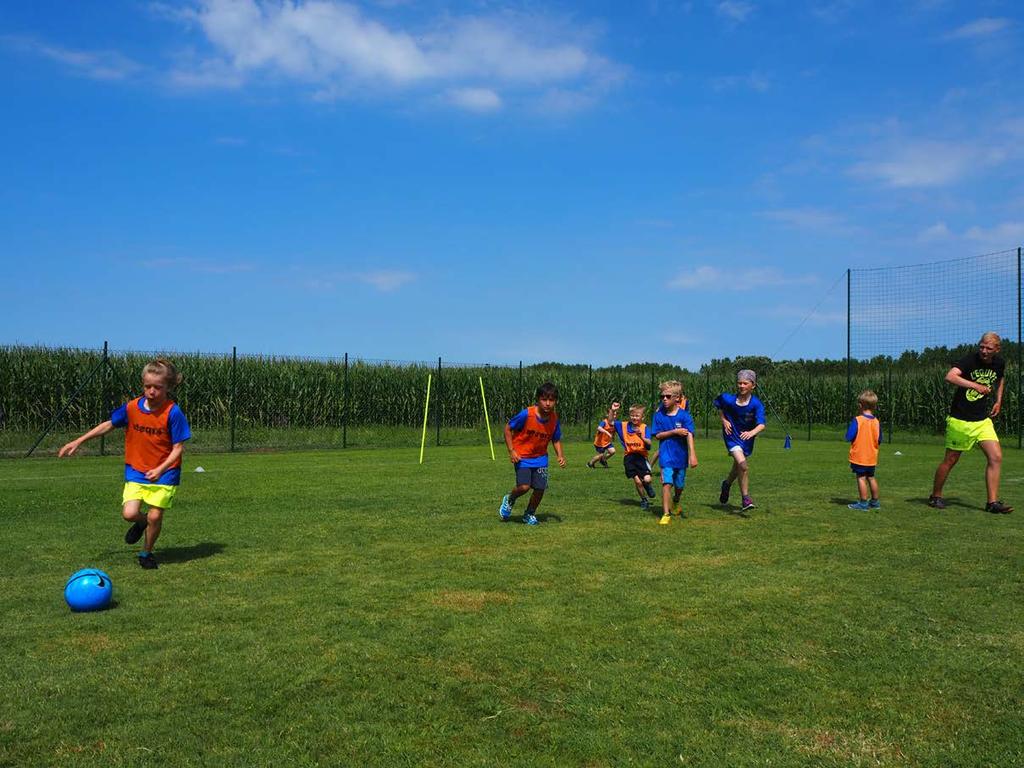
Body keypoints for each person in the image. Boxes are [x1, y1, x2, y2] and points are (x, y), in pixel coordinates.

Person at [58, 358, 192, 569]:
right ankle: (141, 522)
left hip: (165, 472)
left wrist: (160, 469)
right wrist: (79, 440)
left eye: (157, 387)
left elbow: (178, 449)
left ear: (168, 386)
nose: (152, 391)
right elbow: (109, 425)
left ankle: (146, 553)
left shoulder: (173, 413)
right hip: (137, 469)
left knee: (155, 516)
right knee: (128, 513)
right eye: (147, 386)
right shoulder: (132, 408)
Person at [929, 332, 1012, 514]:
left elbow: (1000, 379)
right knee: (951, 460)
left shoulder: (999, 363)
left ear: (996, 350)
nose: (983, 351)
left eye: (988, 348)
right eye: (981, 346)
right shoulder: (969, 360)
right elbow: (950, 376)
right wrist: (975, 385)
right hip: (961, 420)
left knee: (996, 457)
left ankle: (992, 503)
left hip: (982, 421)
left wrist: (999, 401)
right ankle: (935, 496)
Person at [499, 382, 567, 525]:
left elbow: (555, 439)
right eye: (544, 399)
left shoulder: (554, 419)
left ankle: (529, 514)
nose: (548, 403)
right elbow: (507, 429)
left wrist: (560, 456)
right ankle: (510, 499)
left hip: (541, 458)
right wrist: (511, 451)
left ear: (556, 401)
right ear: (538, 399)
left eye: (552, 400)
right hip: (522, 457)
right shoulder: (527, 414)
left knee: (540, 488)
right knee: (524, 487)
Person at [714, 369, 766, 512]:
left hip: (746, 439)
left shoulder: (756, 404)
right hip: (731, 436)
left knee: (737, 467)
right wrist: (724, 420)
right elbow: (720, 407)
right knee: (743, 465)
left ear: (753, 385)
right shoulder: (728, 399)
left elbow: (761, 424)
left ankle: (726, 484)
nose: (741, 386)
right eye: (739, 383)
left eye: (745, 383)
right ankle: (746, 498)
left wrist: (751, 433)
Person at [651, 381, 698, 525]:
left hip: (681, 456)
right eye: (662, 396)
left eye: (667, 396)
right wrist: (674, 432)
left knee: (679, 485)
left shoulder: (684, 416)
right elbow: (657, 435)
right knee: (667, 483)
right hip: (666, 456)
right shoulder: (658, 416)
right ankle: (665, 514)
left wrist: (692, 454)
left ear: (677, 398)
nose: (664, 399)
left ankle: (676, 501)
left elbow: (689, 434)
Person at [614, 405, 656, 510]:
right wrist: (613, 411)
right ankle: (644, 500)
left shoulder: (645, 428)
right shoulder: (624, 426)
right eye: (632, 415)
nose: (634, 418)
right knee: (637, 481)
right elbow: (610, 422)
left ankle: (647, 485)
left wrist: (642, 437)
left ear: (642, 417)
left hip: (641, 457)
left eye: (637, 415)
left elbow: (649, 445)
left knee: (647, 479)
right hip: (629, 457)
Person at [846, 390, 882, 510]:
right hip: (872, 457)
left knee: (861, 477)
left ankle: (863, 502)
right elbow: (879, 439)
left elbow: (849, 436)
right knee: (871, 477)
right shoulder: (876, 422)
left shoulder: (858, 420)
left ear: (860, 405)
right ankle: (875, 502)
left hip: (860, 456)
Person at [587, 401, 620, 469]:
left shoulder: (614, 423)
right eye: (613, 414)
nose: (615, 416)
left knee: (612, 451)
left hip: (607, 442)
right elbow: (599, 428)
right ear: (608, 415)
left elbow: (613, 431)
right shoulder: (604, 422)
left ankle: (603, 460)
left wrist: (613, 435)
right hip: (600, 443)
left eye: (616, 414)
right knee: (600, 455)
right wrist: (607, 432)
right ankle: (590, 463)